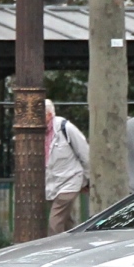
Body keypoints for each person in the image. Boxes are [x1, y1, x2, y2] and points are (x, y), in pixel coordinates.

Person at [45, 99, 90, 234]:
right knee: (67, 222)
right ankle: (77, 244)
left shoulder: (65, 127)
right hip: (51, 184)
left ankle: (55, 250)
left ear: (49, 115)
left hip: (70, 181)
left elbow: (85, 153)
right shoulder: (37, 133)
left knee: (55, 222)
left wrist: (87, 180)